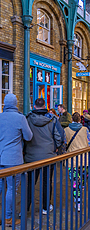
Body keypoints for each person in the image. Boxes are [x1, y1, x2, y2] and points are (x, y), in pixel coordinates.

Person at [26, 98, 63, 215]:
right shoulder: (53, 120)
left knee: (30, 183)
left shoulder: (28, 119)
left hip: (31, 156)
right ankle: (45, 207)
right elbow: (59, 136)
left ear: (34, 106)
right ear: (45, 106)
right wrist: (56, 148)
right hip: (48, 156)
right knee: (47, 182)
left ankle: (26, 208)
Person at [0, 94, 33, 226]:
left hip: (1, 157)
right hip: (14, 159)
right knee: (12, 188)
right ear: (15, 103)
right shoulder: (20, 118)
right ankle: (8, 217)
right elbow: (29, 136)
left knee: (1, 187)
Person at [65, 112, 90, 211]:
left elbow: (63, 144)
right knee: (83, 178)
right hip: (84, 159)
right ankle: (81, 186)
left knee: (74, 182)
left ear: (72, 120)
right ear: (80, 120)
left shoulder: (66, 130)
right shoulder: (85, 130)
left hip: (72, 160)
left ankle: (77, 201)